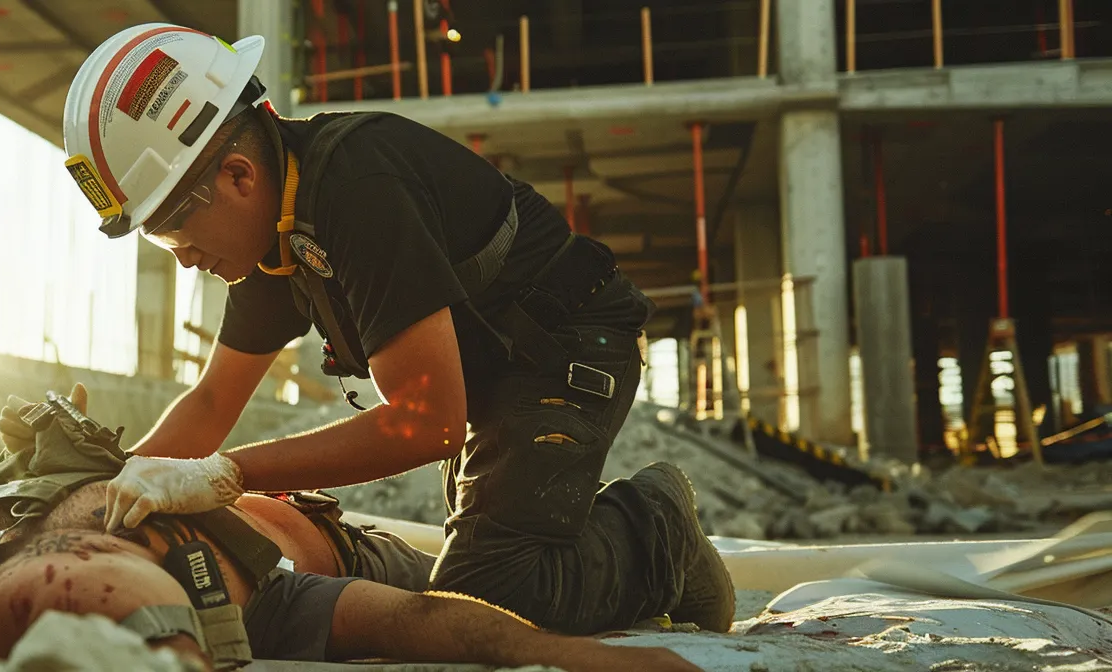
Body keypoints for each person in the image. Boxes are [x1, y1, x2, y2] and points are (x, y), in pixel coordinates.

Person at [60, 23, 734, 635]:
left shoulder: (360, 189)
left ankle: (657, 526)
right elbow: (211, 402)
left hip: (565, 350)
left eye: (173, 229)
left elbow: (427, 421)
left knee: (495, 597)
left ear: (237, 175)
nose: (182, 258)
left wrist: (229, 473)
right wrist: (94, 484)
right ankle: (588, 539)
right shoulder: (279, 235)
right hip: (495, 375)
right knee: (481, 572)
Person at [0, 476, 699, 671]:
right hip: (327, 558)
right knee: (516, 582)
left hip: (250, 508)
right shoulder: (63, 594)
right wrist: (606, 663)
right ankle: (655, 522)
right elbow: (414, 617)